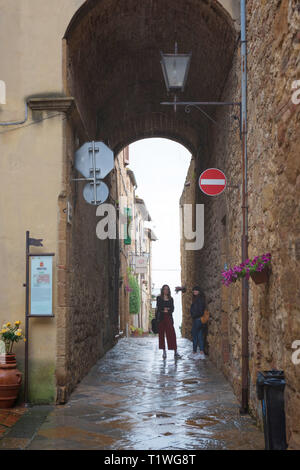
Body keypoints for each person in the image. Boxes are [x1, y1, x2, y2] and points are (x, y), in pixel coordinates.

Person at [155, 284, 181, 359]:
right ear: (162, 290)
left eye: (167, 289)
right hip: (161, 318)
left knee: (172, 334)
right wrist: (164, 310)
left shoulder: (171, 299)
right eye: (164, 289)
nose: (166, 290)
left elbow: (172, 308)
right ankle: (164, 351)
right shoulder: (159, 298)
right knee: (161, 335)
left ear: (168, 290)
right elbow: (158, 307)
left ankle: (175, 351)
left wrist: (168, 310)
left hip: (169, 318)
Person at [190, 285, 206, 360]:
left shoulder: (198, 299)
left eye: (196, 290)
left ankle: (194, 352)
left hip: (197, 319)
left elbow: (199, 310)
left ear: (199, 291)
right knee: (199, 336)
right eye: (194, 290)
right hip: (200, 319)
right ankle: (201, 353)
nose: (194, 291)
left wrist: (193, 315)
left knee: (195, 336)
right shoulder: (200, 298)